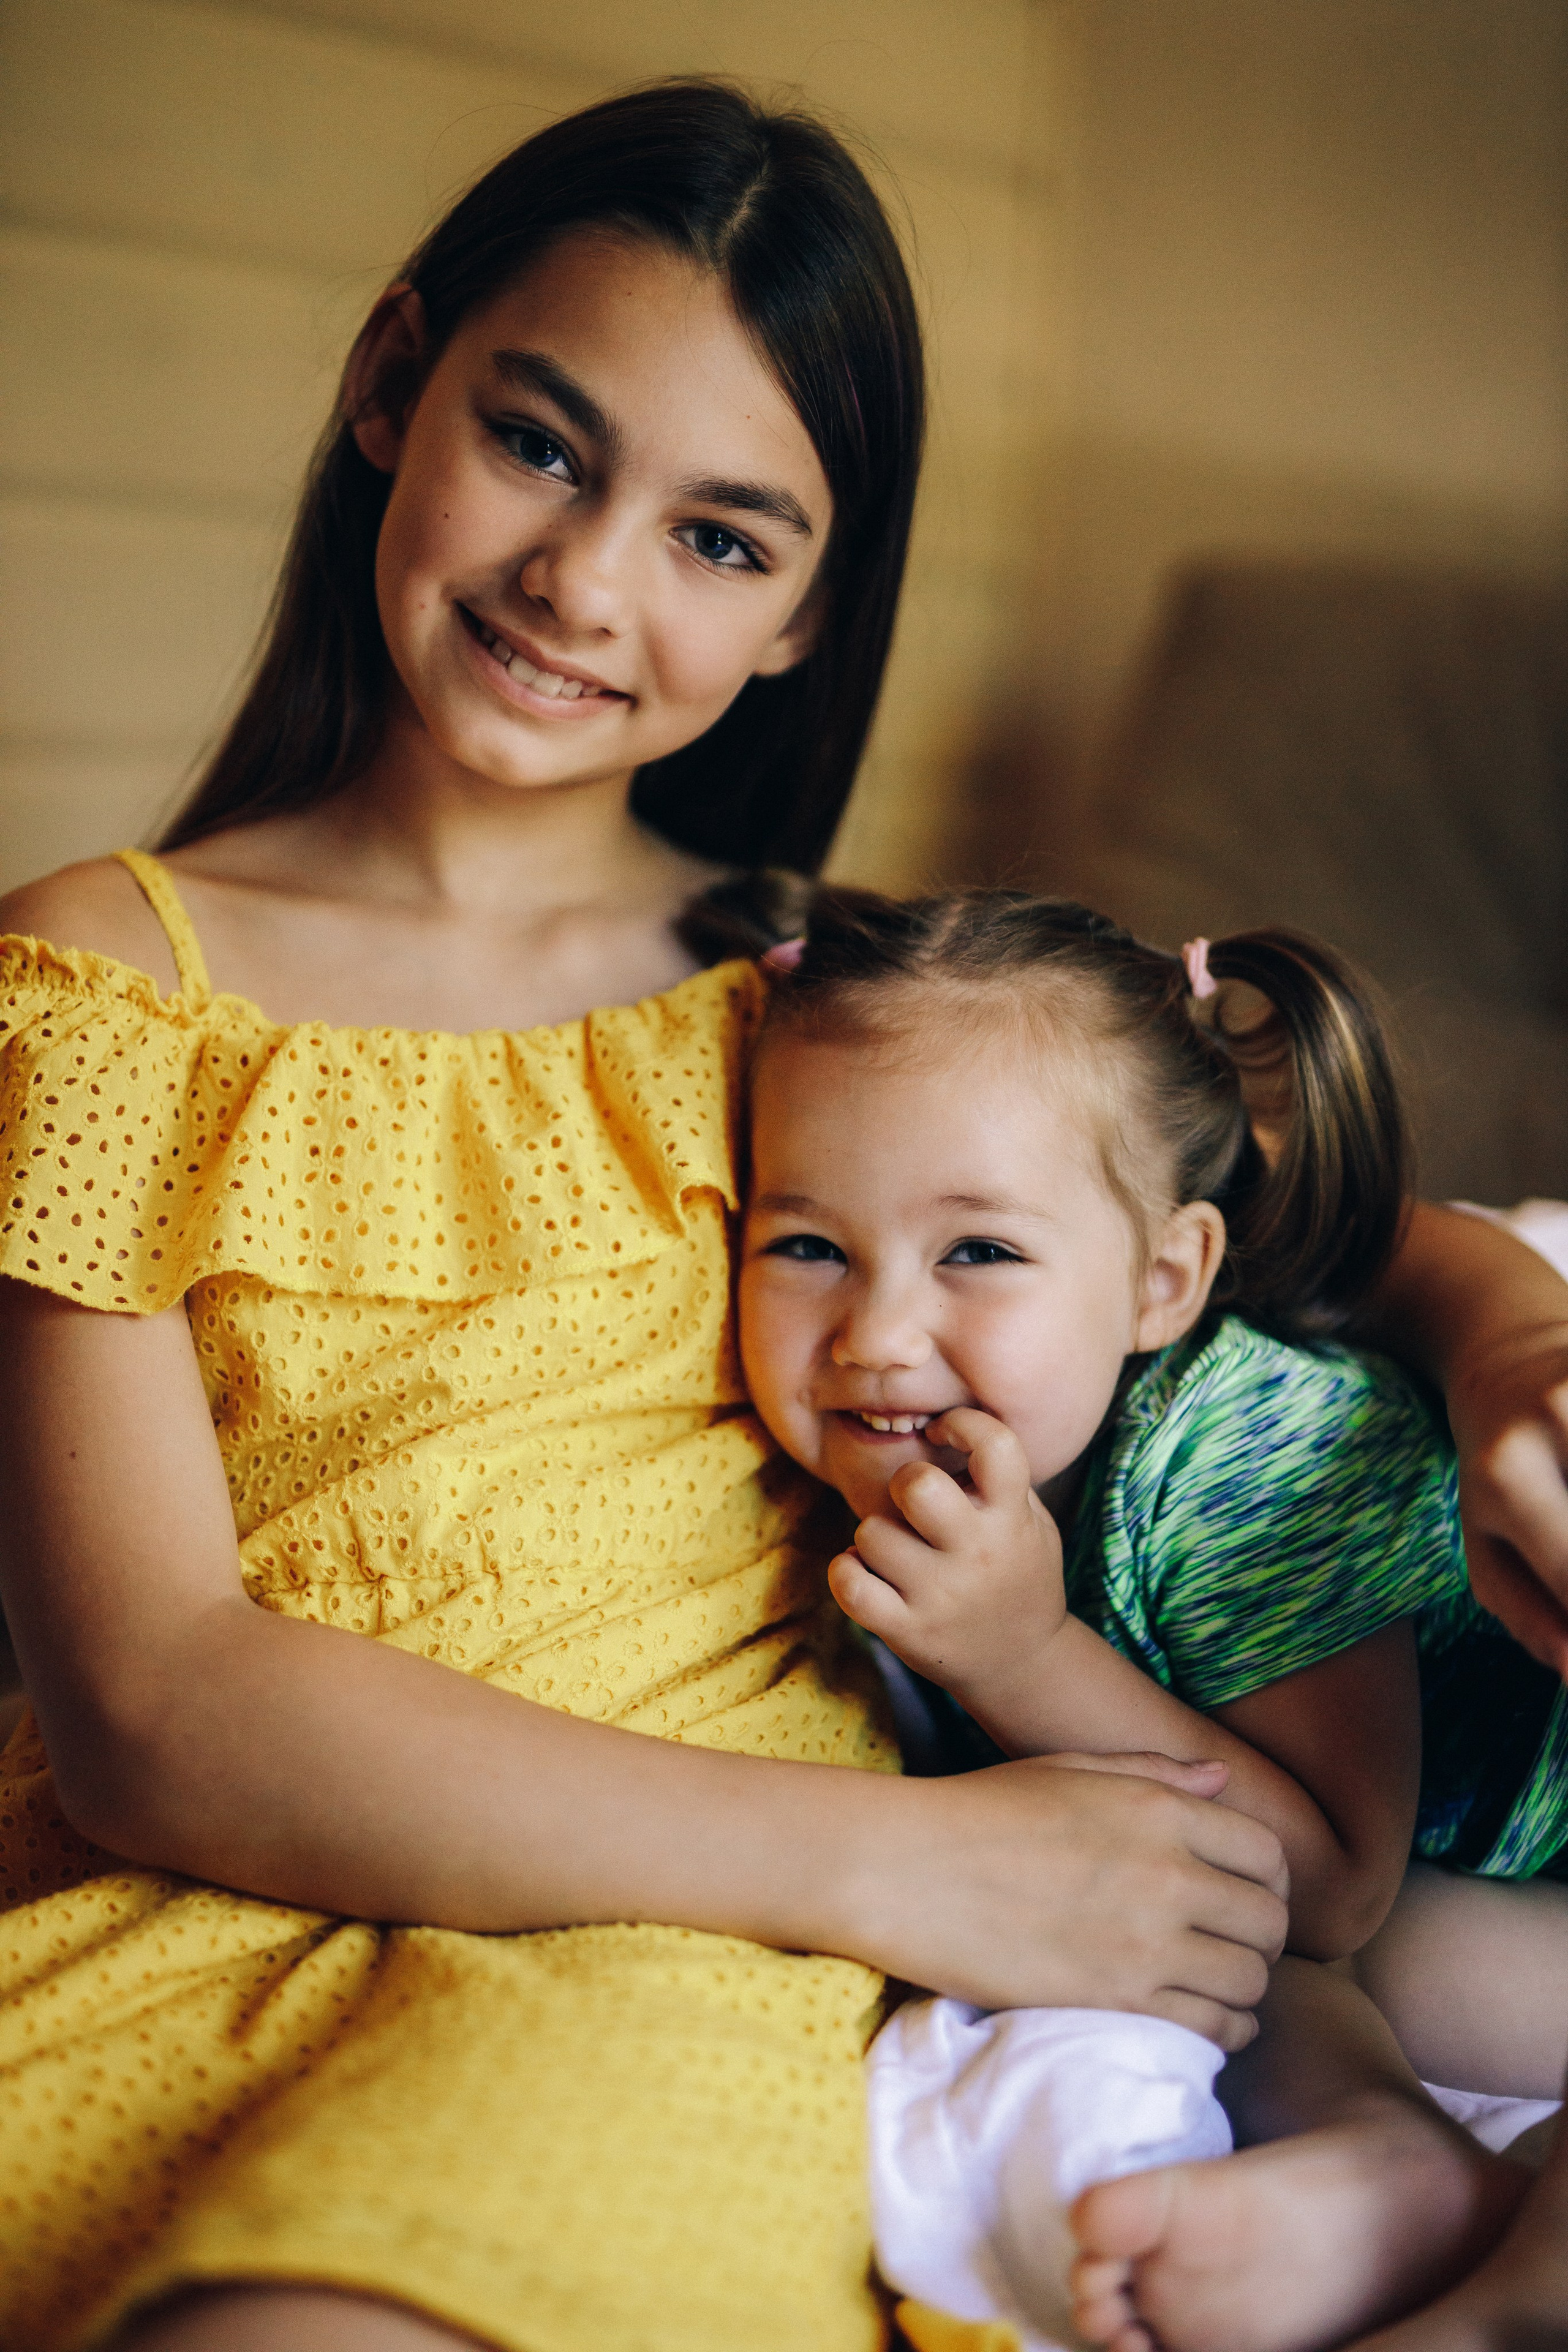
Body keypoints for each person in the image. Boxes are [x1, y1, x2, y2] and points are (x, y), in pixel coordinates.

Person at [0, 77, 1559, 2352]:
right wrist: (914, 1866)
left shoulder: (813, 993)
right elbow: (152, 1703)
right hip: (216, 1889)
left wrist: (1511, 1333)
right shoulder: (100, 985)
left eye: (724, 538)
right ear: (387, 381)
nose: (583, 579)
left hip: (664, 1957)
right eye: (540, 443)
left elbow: (1282, 1205)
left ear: (815, 615)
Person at [735, 890, 1568, 2352]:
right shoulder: (877, 1460)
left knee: (1266, 1926)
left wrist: (1021, 1659)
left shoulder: (1247, 1451)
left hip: (1502, 1858)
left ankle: (1398, 2178)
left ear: (1162, 1280)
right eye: (804, 1245)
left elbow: (1327, 1888)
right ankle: (1395, 2169)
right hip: (1422, 1874)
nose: (872, 1333)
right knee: (1167, 1924)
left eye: (977, 1253)